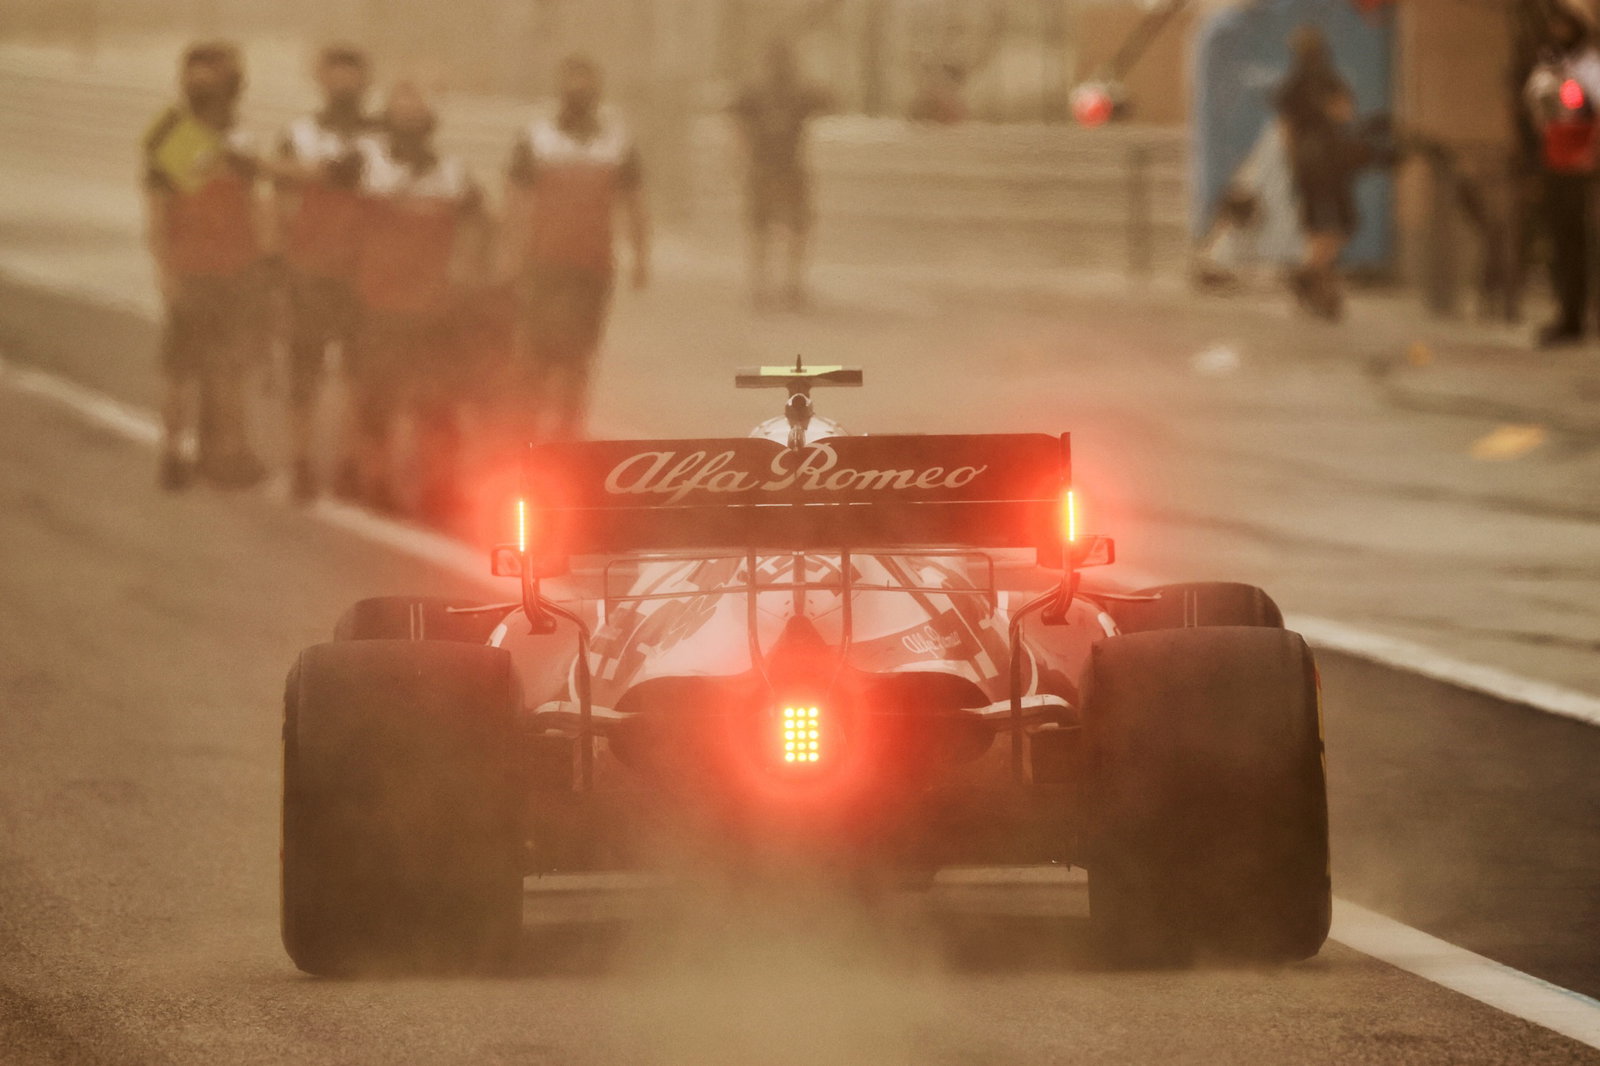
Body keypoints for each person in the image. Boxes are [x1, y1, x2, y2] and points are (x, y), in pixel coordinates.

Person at [348, 83, 486, 524]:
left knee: (438, 404)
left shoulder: (453, 173)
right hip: (375, 301)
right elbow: (309, 188)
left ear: (430, 126)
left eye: (416, 117)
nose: (409, 126)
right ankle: (374, 480)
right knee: (377, 398)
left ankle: (439, 489)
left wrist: (468, 274)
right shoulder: (362, 164)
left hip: (434, 306)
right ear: (385, 124)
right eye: (399, 116)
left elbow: (482, 225)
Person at [502, 54, 650, 443]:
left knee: (579, 356)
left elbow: (634, 200)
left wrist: (640, 256)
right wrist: (510, 253)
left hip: (592, 266)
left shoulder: (616, 142)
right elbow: (515, 198)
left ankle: (567, 432)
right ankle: (528, 431)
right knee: (536, 352)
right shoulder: (536, 138)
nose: (579, 90)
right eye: (572, 82)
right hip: (542, 262)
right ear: (560, 88)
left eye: (586, 82)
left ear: (597, 91)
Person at [142, 41, 267, 490]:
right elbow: (159, 210)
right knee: (183, 370)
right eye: (210, 74)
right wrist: (166, 271)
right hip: (192, 269)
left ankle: (225, 453)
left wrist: (263, 261)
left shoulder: (239, 134)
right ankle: (174, 452)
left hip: (238, 268)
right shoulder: (173, 132)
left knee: (230, 366)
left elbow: (252, 201)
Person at [272, 44, 377, 502]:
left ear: (365, 83)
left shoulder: (385, 135)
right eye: (335, 77)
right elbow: (276, 193)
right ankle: (300, 463)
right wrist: (275, 260)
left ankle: (348, 463)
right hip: (309, 267)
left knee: (359, 373)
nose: (343, 86)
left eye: (352, 78)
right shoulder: (299, 133)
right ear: (321, 81)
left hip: (365, 270)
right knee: (304, 372)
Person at [731, 42, 831, 309]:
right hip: (773, 166)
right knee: (771, 228)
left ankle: (782, 285)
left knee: (783, 227)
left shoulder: (794, 92)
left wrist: (740, 158)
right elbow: (738, 124)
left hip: (781, 166)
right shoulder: (760, 92)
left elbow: (828, 101)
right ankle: (776, 286)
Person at [1524, 3, 1600, 347]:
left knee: (1585, 243)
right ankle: (1568, 316)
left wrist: (1590, 155)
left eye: (1566, 26)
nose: (1559, 31)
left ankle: (1583, 315)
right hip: (1555, 161)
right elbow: (1539, 111)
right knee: (1561, 242)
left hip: (1585, 166)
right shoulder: (1548, 66)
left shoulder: (1590, 66)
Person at [1275, 27, 1360, 321]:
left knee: (1314, 224)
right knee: (1344, 223)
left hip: (1304, 162)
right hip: (1332, 159)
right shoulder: (1332, 80)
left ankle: (1314, 279)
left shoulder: (1292, 84)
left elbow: (1285, 129)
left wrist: (1292, 161)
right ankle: (1310, 274)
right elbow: (1344, 113)